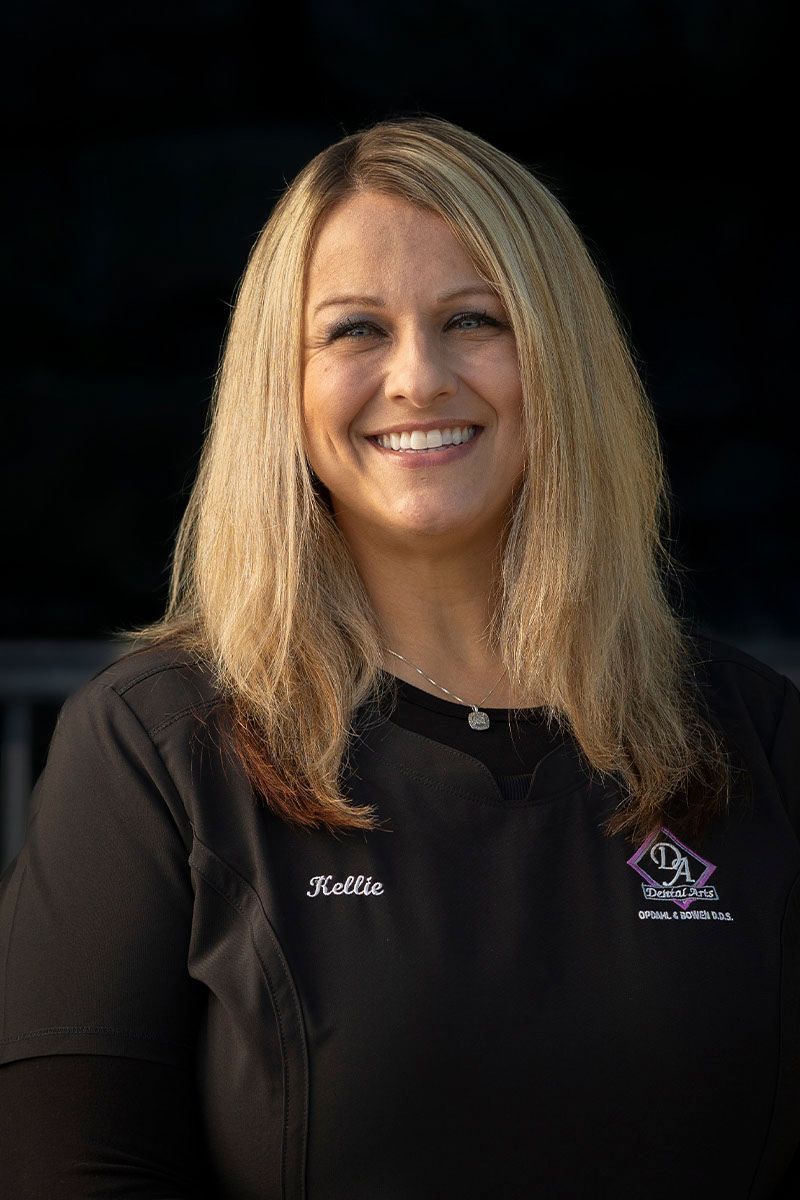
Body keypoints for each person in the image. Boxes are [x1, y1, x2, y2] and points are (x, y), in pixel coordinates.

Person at [1, 114, 798, 1199]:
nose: (417, 379)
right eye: (354, 331)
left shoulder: (753, 734)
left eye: (472, 319)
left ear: (560, 356)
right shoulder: (155, 743)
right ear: (281, 388)